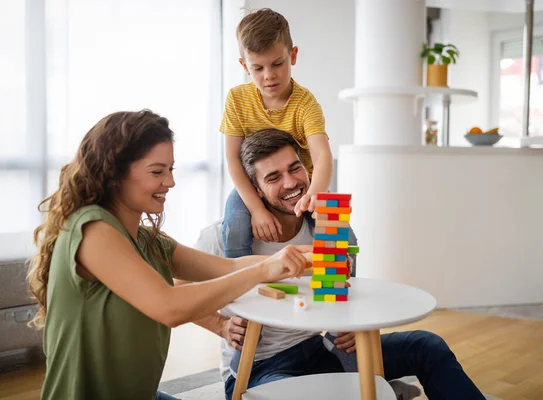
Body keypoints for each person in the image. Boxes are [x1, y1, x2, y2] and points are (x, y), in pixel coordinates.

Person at [27, 110, 312, 400]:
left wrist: (304, 258)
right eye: (157, 171)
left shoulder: (146, 238)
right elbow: (169, 307)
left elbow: (227, 266)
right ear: (114, 173)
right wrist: (262, 272)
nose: (170, 182)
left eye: (171, 170)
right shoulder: (92, 229)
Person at [194, 130, 487, 400]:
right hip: (261, 367)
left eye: (294, 168)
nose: (291, 182)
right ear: (255, 189)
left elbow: (345, 288)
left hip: (319, 349)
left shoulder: (323, 225)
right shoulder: (219, 238)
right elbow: (175, 287)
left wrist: (349, 323)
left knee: (427, 346)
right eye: (273, 177)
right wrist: (220, 324)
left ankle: (371, 385)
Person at [220, 8, 356, 258]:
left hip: (306, 188)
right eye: (258, 68)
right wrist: (257, 209)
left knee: (346, 237)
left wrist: (315, 194)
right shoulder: (237, 99)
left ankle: (345, 291)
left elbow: (322, 156)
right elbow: (232, 158)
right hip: (254, 189)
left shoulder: (306, 103)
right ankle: (242, 291)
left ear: (293, 56)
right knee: (236, 229)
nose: (269, 75)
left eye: (277, 64)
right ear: (245, 67)